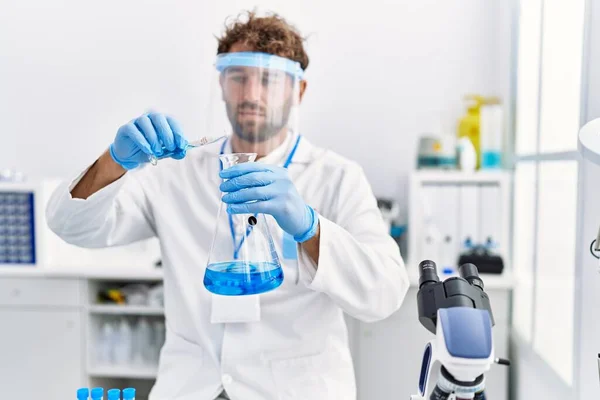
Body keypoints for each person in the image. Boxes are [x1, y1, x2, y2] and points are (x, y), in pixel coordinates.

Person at [46, 11, 409, 400]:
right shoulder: (175, 173)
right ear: (221, 83)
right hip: (191, 388)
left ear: (298, 91)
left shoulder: (337, 177)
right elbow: (71, 226)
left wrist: (309, 228)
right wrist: (114, 160)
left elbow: (385, 294)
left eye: (269, 79)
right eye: (239, 77)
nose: (252, 94)